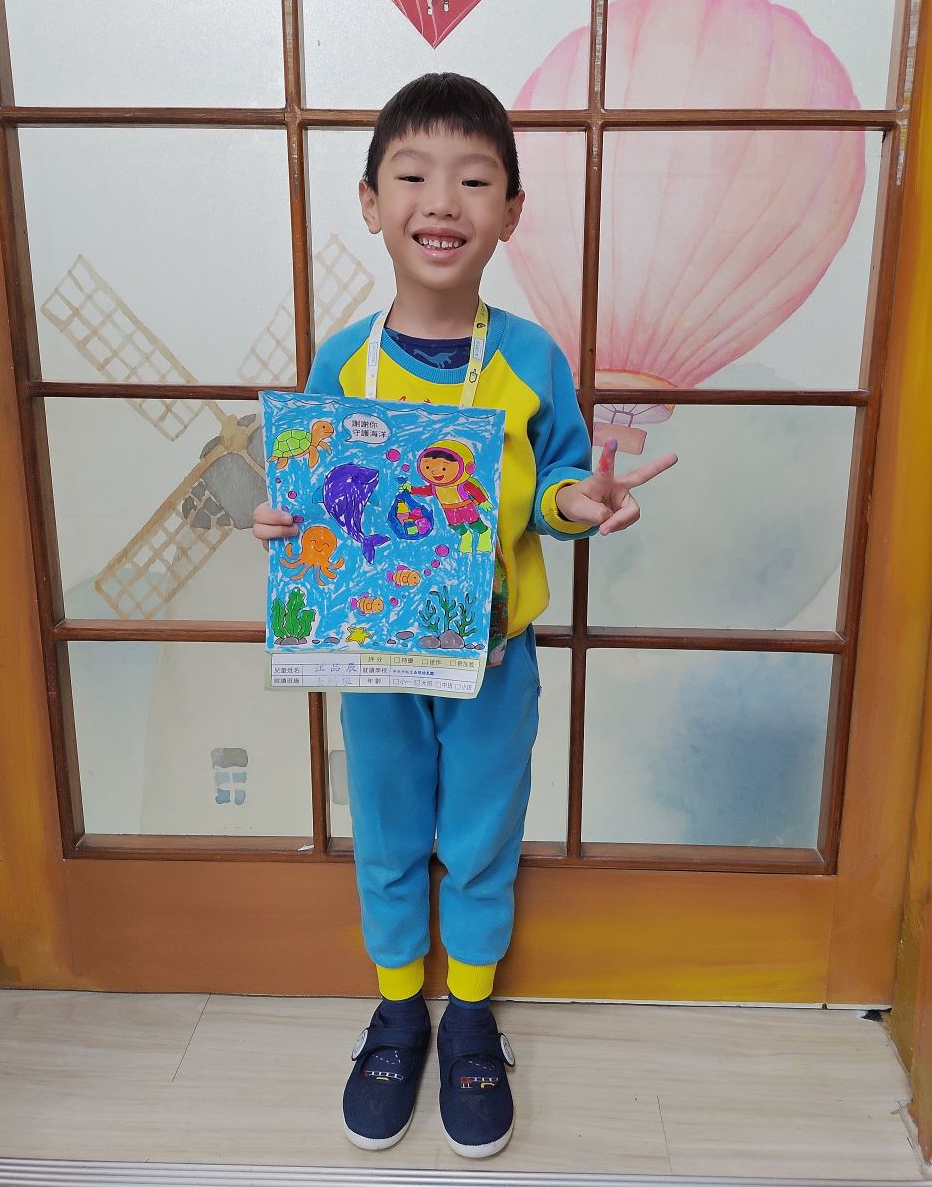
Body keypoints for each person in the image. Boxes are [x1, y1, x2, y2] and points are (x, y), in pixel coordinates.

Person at [253, 72, 677, 1158]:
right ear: (370, 201)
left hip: (494, 657)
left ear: (511, 213)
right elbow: (323, 496)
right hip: (375, 661)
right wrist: (286, 521)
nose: (442, 201)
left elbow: (556, 484)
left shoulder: (531, 359)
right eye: (412, 175)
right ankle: (401, 1010)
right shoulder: (343, 361)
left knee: (482, 837)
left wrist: (580, 502)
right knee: (391, 830)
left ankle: (473, 1016)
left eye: (475, 180)